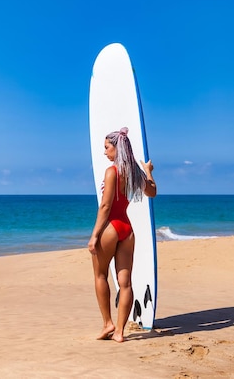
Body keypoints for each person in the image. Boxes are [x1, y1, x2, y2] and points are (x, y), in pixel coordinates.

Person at [88, 127, 156, 343]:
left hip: (110, 227)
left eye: (107, 148)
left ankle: (108, 323)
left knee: (100, 275)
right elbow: (152, 192)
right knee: (125, 282)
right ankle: (119, 332)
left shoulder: (112, 171)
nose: (105, 152)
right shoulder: (134, 172)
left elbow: (106, 206)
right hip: (127, 229)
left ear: (117, 148)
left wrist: (94, 235)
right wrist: (148, 171)